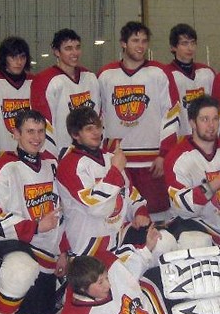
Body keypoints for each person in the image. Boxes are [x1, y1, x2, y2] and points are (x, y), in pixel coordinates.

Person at [0, 110, 68, 314]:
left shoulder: (52, 164)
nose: (36, 137)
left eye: (40, 131)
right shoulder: (1, 167)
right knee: (22, 270)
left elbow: (65, 211)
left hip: (45, 252)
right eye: (29, 131)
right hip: (7, 245)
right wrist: (35, 226)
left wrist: (64, 251)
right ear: (15, 133)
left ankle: (5, 305)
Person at [57, 106, 177, 257]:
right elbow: (95, 207)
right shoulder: (69, 165)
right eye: (89, 129)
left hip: (117, 235)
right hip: (89, 245)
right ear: (75, 134)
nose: (96, 132)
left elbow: (131, 194)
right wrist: (115, 170)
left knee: (164, 242)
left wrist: (140, 213)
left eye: (98, 127)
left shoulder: (110, 157)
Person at [98, 21, 181, 217]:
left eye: (144, 41)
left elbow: (171, 114)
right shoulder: (106, 75)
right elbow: (97, 116)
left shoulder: (160, 73)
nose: (140, 46)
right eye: (135, 40)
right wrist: (101, 154)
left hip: (151, 162)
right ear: (123, 43)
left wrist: (165, 154)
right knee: (120, 216)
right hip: (117, 161)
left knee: (158, 216)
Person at [59, 226, 162, 314]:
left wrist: (148, 248)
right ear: (83, 289)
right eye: (100, 283)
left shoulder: (104, 265)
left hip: (153, 294)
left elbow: (127, 274)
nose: (108, 284)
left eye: (106, 278)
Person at [164, 95, 220, 248]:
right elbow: (182, 208)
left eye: (215, 119)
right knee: (193, 241)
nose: (211, 125)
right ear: (193, 123)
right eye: (204, 119)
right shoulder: (176, 158)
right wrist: (219, 181)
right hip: (198, 226)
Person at [31, 28, 101, 158]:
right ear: (57, 52)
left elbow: (98, 115)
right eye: (68, 48)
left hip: (90, 153)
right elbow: (43, 123)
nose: (74, 53)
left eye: (77, 47)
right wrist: (52, 157)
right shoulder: (44, 81)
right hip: (63, 155)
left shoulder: (90, 77)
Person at [165, 23, 218, 138]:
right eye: (184, 43)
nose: (190, 48)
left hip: (207, 137)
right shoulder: (166, 75)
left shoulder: (207, 73)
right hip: (180, 140)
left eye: (193, 43)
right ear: (173, 47)